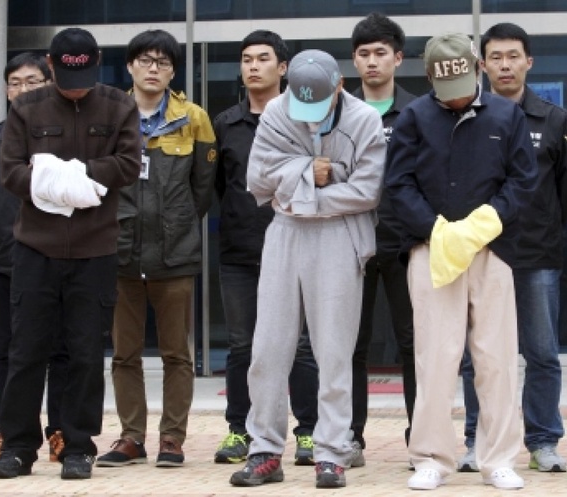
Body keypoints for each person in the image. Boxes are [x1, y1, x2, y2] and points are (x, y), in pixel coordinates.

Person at [0, 27, 141, 480]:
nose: (78, 85)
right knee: (26, 350)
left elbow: (130, 164)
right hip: (36, 247)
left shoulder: (119, 104)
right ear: (51, 66)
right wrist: (55, 189)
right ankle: (17, 445)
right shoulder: (26, 107)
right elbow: (10, 172)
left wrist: (74, 178)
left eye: (86, 73)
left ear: (96, 62)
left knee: (85, 352)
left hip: (95, 248)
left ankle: (78, 444)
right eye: (68, 75)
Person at [386, 32, 537, 491]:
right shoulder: (414, 116)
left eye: (465, 86)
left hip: (492, 250)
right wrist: (434, 230)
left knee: (496, 358)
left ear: (476, 68)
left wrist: (487, 221)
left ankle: (499, 459)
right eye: (446, 93)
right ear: (431, 78)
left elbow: (523, 180)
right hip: (432, 250)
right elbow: (398, 185)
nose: (456, 100)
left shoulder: (507, 114)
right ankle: (431, 456)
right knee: (435, 357)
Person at [228, 49, 385, 489]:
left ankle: (331, 452)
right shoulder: (279, 110)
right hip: (285, 232)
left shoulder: (364, 120)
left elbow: (367, 191)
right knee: (267, 349)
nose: (308, 114)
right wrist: (307, 173)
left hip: (340, 233)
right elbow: (257, 179)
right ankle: (264, 451)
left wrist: (300, 193)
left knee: (334, 351)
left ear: (338, 86)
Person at [458, 22, 567, 473]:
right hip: (482, 254)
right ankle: (477, 439)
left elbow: (566, 190)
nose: (505, 65)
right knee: (478, 355)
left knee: (542, 353)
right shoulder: (465, 114)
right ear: (482, 65)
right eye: (496, 57)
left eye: (513, 56)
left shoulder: (554, 119)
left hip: (536, 255)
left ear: (529, 61)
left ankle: (543, 440)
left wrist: (543, 226)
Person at [96, 29, 216, 469]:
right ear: (129, 66)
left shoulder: (194, 118)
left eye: (163, 63)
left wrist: (177, 225)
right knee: (124, 353)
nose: (153, 69)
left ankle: (172, 439)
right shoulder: (109, 117)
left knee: (176, 354)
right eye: (145, 61)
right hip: (119, 252)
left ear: (173, 70)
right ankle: (131, 437)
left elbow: (202, 191)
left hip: (175, 253)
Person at [211, 29, 320, 467]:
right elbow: (222, 188)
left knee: (301, 347)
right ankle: (240, 430)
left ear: (283, 67)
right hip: (240, 252)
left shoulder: (305, 118)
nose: (252, 66)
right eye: (245, 59)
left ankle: (308, 433)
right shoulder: (226, 124)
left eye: (262, 58)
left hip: (297, 247)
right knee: (242, 346)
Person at [0, 52, 69, 466]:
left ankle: (60, 430)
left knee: (60, 348)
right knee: (9, 351)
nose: (23, 89)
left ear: (49, 83)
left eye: (32, 81)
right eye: (15, 82)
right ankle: (7, 430)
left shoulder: (66, 133)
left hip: (61, 256)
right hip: (7, 259)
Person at [349, 11, 417, 458]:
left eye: (380, 53)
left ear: (398, 57)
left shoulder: (418, 111)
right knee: (350, 344)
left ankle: (421, 438)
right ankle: (350, 436)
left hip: (405, 243)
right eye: (363, 54)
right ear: (353, 61)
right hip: (349, 242)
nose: (372, 61)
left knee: (414, 343)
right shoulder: (339, 110)